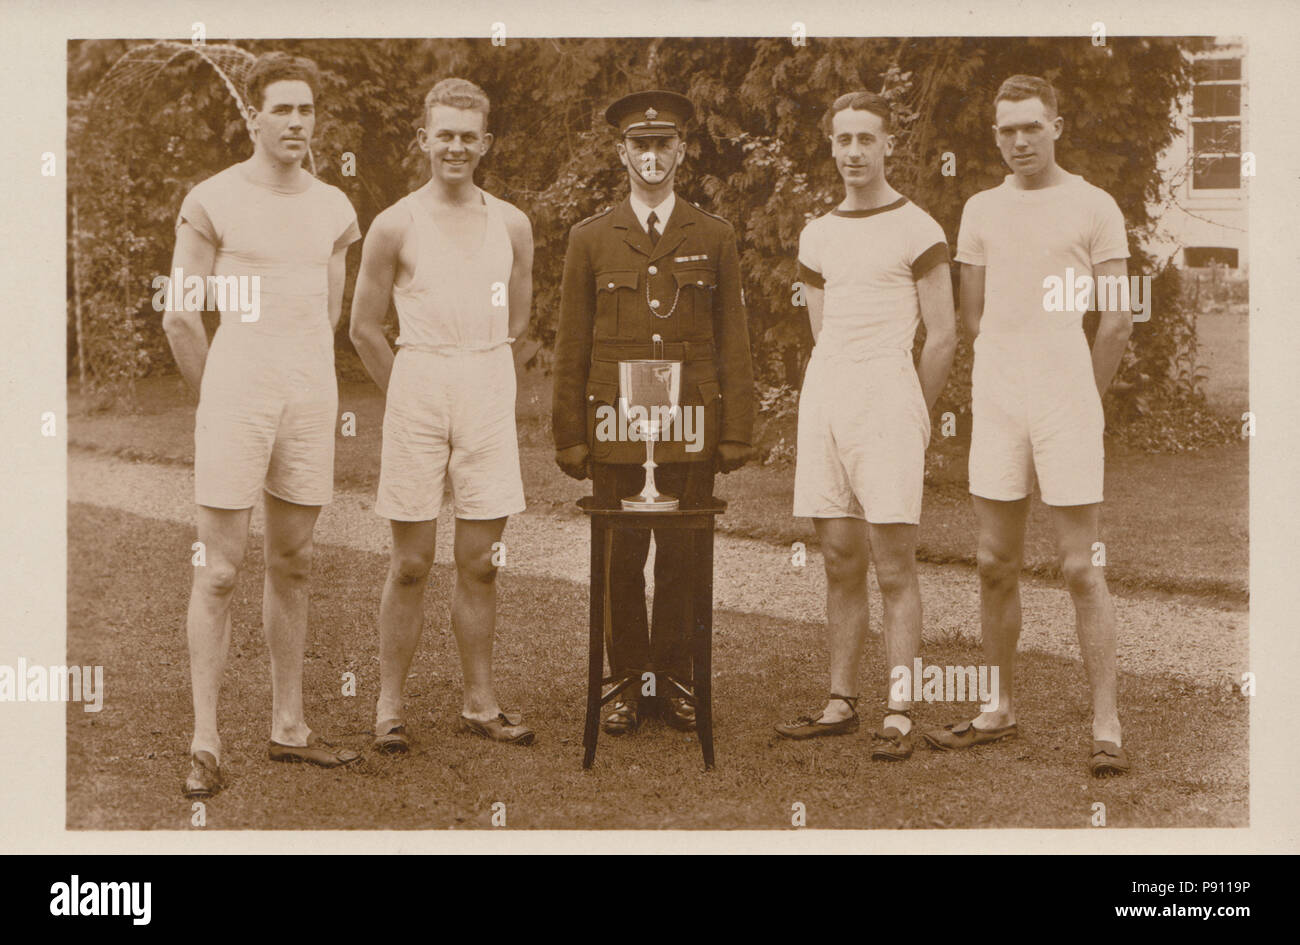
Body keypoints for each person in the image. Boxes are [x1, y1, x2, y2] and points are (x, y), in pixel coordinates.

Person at [163, 52, 363, 799]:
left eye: (306, 110)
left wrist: (294, 378)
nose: (296, 123)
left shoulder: (335, 209)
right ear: (253, 116)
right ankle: (205, 741)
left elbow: (328, 313)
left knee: (296, 560)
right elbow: (182, 314)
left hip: (309, 395)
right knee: (218, 570)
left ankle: (290, 725)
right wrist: (216, 398)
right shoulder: (212, 199)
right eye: (281, 109)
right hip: (236, 393)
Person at [921, 75, 1134, 777]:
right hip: (1000, 395)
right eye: (1007, 129)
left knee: (1080, 566)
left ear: (1057, 126)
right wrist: (1007, 371)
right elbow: (974, 316)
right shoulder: (980, 208)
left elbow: (1117, 318)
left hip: (1067, 395)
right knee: (992, 562)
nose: (1019, 140)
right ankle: (999, 706)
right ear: (996, 135)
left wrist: (1084, 397)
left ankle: (1106, 723)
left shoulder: (1094, 205)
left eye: (1031, 126)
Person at [552, 90, 754, 735]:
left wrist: (738, 431)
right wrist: (569, 435)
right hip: (615, 420)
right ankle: (626, 681)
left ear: (681, 152)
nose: (652, 156)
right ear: (622, 153)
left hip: (691, 420)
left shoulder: (714, 235)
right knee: (618, 554)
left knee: (683, 555)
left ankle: (674, 678)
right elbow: (572, 343)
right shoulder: (590, 239)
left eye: (663, 144)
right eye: (640, 145)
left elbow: (734, 338)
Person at [349, 78, 535, 752]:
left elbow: (521, 318)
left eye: (468, 135)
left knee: (482, 559)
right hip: (418, 377)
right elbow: (364, 327)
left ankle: (480, 702)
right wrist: (408, 390)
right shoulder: (396, 222)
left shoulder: (512, 222)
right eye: (444, 134)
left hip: (486, 373)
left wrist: (491, 383)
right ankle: (389, 705)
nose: (455, 146)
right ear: (424, 139)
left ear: (485, 142)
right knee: (411, 561)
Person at [774, 91, 956, 761]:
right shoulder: (818, 232)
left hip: (890, 401)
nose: (854, 151)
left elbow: (942, 336)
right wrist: (839, 392)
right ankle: (841, 699)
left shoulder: (920, 227)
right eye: (842, 138)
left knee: (894, 567)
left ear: (888, 145)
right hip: (827, 397)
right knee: (840, 560)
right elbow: (824, 333)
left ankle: (901, 707)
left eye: (866, 139)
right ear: (831, 145)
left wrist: (913, 408)